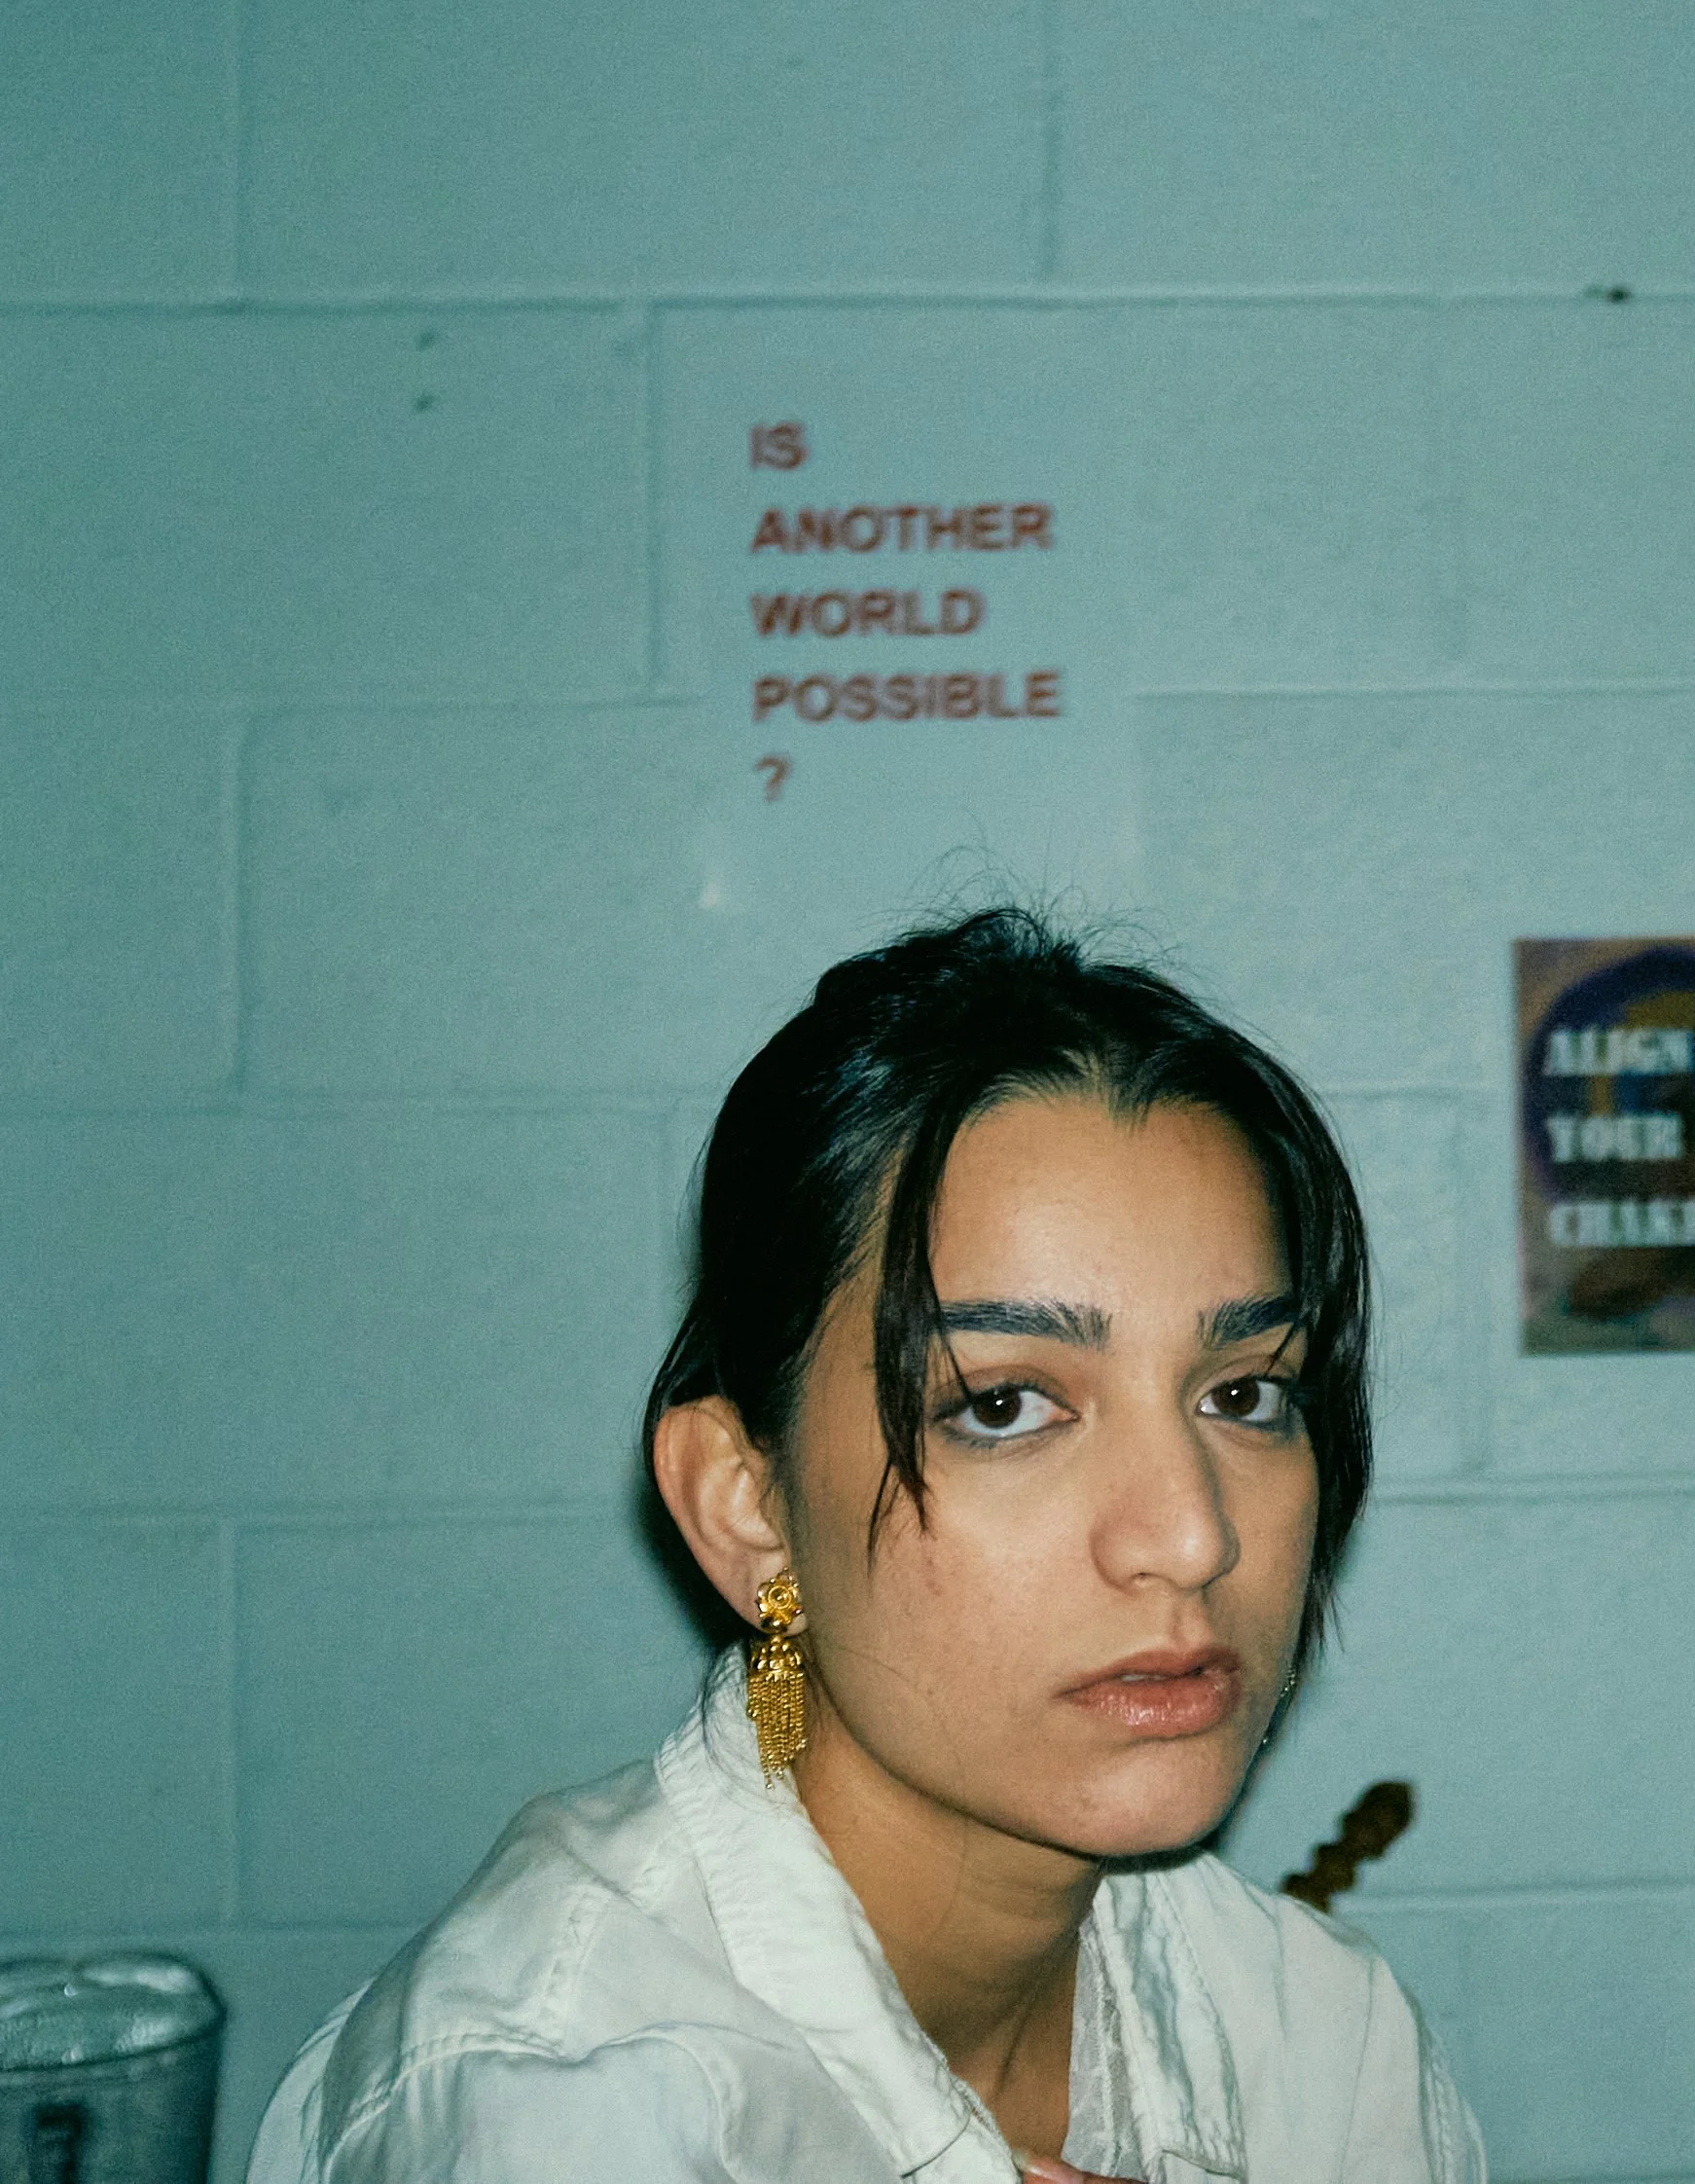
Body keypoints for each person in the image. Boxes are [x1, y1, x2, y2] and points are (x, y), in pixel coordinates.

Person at [248, 908, 1487, 2184]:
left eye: (1244, 1394)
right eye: (1003, 1405)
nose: (1191, 1534)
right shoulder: (562, 2109)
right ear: (746, 1507)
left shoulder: (1324, 2041)